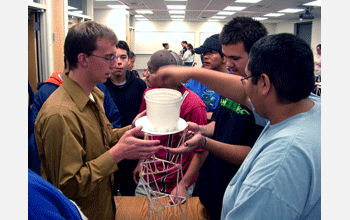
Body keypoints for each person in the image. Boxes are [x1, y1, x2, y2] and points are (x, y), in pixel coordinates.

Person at [156, 33, 321, 219]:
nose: (244, 87)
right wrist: (191, 73)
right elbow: (243, 94)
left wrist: (204, 143)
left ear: (264, 83)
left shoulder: (277, 168)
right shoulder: (309, 107)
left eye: (246, 79)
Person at [34, 21, 162, 220]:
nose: (116, 63)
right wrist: (117, 154)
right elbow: (67, 187)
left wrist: (136, 127)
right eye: (109, 57)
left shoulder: (94, 94)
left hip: (102, 206)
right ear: (83, 59)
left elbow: (103, 137)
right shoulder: (60, 114)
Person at [186, 19, 267, 219]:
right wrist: (200, 128)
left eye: (235, 58)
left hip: (235, 187)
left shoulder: (264, 99)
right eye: (226, 56)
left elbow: (251, 154)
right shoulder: (231, 85)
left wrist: (205, 143)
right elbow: (220, 125)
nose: (229, 63)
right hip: (212, 181)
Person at [133, 49, 208, 201]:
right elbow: (146, 133)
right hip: (148, 178)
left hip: (178, 182)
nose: (145, 74)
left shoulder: (193, 104)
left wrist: (183, 185)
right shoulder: (150, 95)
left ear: (165, 77)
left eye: (150, 71)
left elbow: (201, 151)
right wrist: (141, 162)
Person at [103, 41, 147, 196]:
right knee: (109, 194)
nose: (119, 62)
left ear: (129, 60)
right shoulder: (100, 86)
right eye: (115, 57)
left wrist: (142, 159)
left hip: (132, 151)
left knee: (130, 193)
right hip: (107, 150)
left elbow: (145, 122)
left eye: (123, 57)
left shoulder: (139, 85)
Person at [185, 34, 222, 115]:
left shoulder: (234, 81)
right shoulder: (198, 78)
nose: (205, 56)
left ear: (224, 56)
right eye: (204, 53)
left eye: (211, 53)